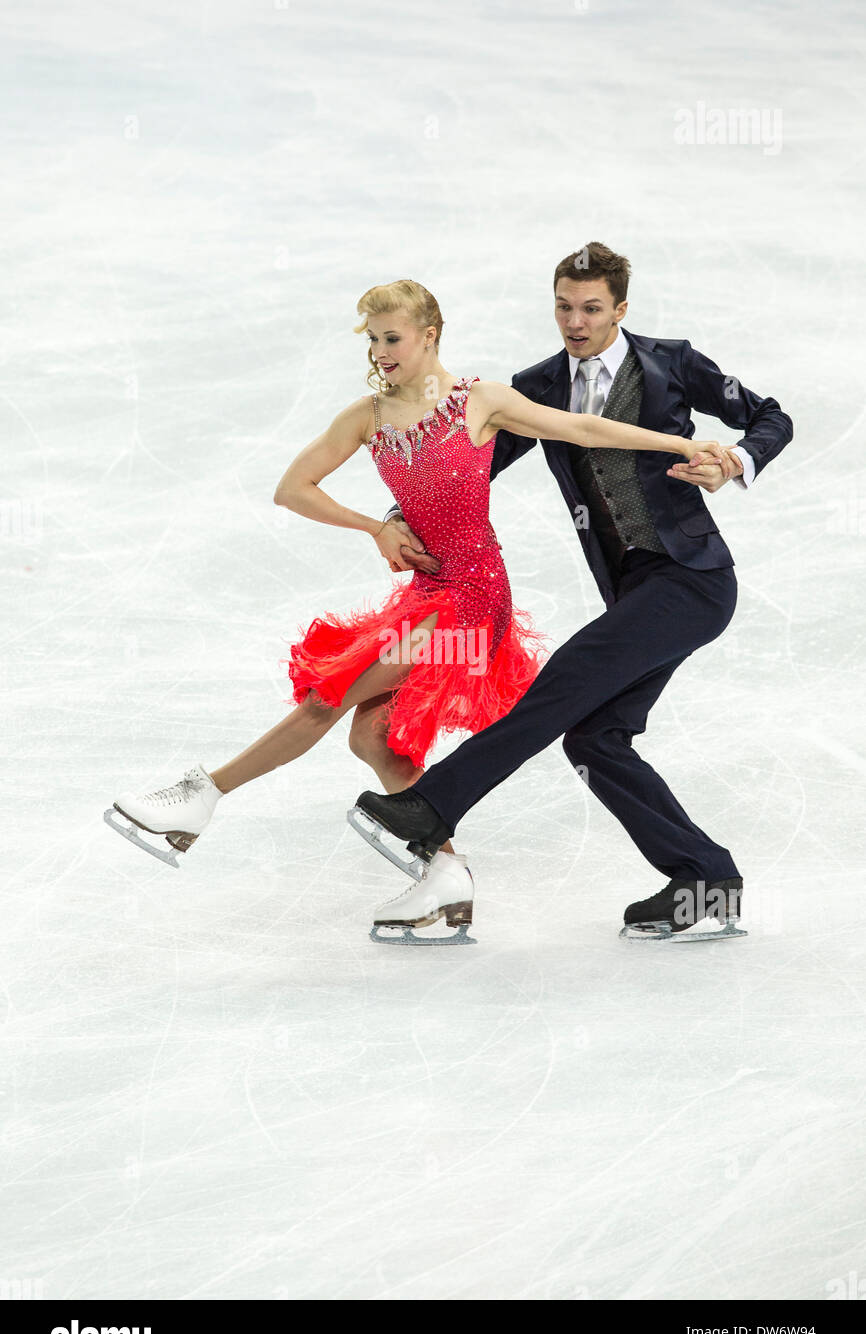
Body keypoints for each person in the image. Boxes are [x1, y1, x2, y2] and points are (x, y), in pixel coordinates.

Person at [103, 276, 725, 943]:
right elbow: (293, 488)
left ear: (429, 334)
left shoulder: (478, 401)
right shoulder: (367, 417)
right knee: (370, 735)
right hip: (429, 596)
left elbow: (579, 425)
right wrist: (375, 527)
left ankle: (198, 800)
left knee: (330, 691)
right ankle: (447, 883)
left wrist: (680, 445)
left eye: (392, 337)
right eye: (373, 339)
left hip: (472, 605)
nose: (381, 351)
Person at [349, 245, 793, 943]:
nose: (575, 322)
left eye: (591, 308)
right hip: (632, 592)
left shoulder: (672, 363)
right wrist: (400, 519)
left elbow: (770, 415)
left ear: (620, 309)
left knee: (562, 685)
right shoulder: (539, 386)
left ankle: (431, 806)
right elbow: (466, 467)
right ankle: (705, 879)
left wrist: (736, 458)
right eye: (563, 306)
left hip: (692, 579)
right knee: (594, 737)